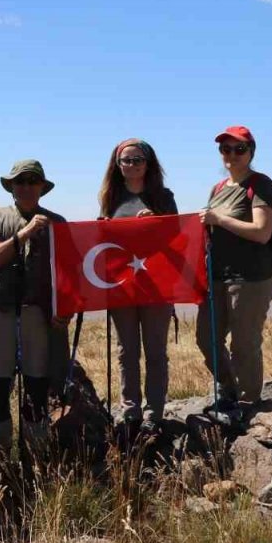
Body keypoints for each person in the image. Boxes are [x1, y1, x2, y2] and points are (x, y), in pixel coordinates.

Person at [0, 160, 69, 459]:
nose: (25, 186)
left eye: (31, 181)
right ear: (11, 186)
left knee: (38, 383)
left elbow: (68, 272)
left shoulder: (57, 222)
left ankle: (37, 451)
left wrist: (66, 309)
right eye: (20, 181)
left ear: (42, 187)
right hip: (1, 311)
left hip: (39, 314)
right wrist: (25, 233)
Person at [197, 126, 272, 426]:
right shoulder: (218, 189)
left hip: (251, 278)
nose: (231, 154)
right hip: (216, 276)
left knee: (244, 343)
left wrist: (219, 219)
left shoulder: (261, 186)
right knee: (208, 339)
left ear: (251, 152)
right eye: (225, 149)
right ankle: (228, 391)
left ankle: (248, 402)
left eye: (239, 149)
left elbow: (262, 232)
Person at [97, 139, 178, 434]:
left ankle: (154, 411)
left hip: (156, 285)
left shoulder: (163, 197)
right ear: (117, 165)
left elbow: (177, 237)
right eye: (126, 161)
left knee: (155, 350)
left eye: (137, 160)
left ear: (148, 163)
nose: (131, 165)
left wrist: (157, 222)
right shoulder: (110, 197)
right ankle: (130, 410)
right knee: (125, 350)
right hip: (122, 285)